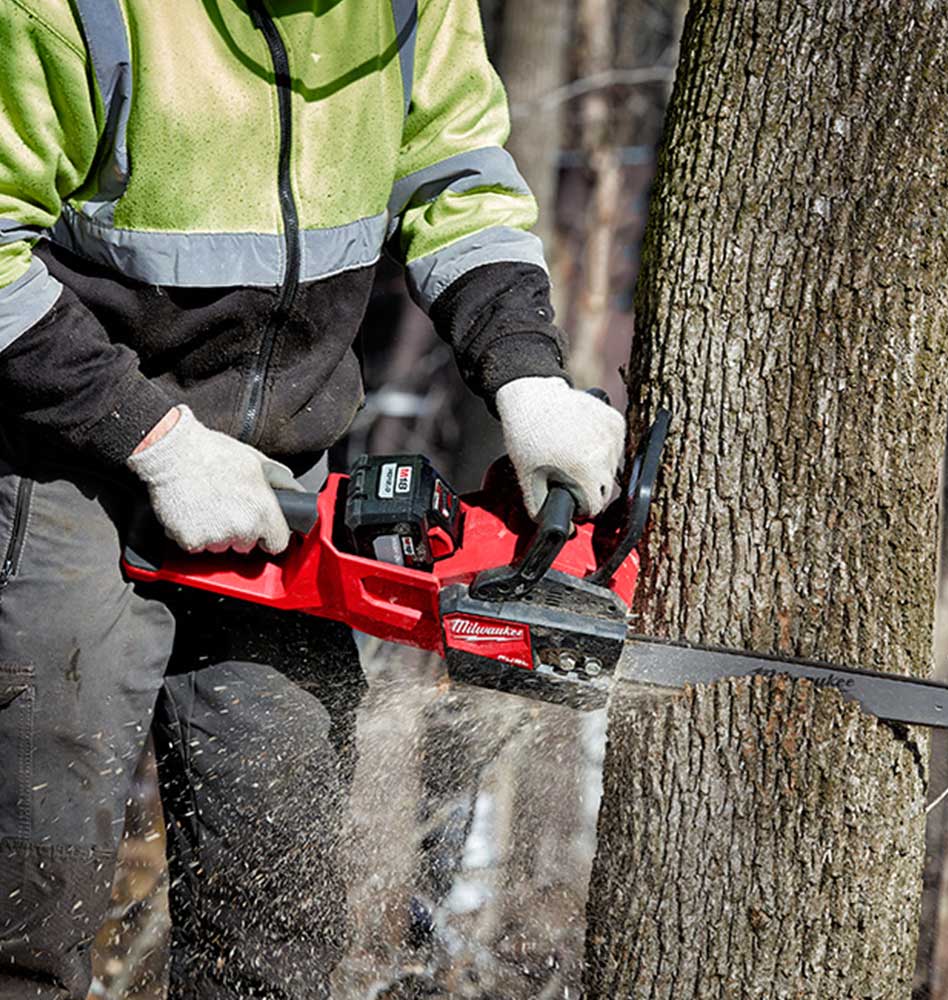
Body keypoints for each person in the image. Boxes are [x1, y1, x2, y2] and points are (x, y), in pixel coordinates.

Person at [0, 1, 625, 997]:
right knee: (31, 876)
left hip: (279, 473)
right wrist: (154, 440)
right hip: (65, 449)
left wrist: (525, 374)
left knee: (275, 899)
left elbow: (452, 169)